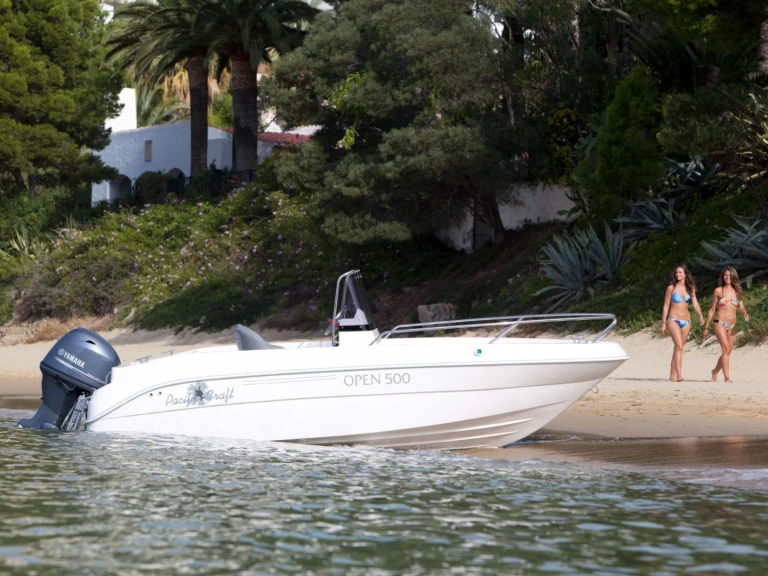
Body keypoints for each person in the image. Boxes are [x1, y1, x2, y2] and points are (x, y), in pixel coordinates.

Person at [703, 267, 750, 383]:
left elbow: (741, 306)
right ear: (722, 277)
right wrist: (706, 327)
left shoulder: (738, 291)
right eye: (725, 275)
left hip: (732, 324)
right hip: (720, 322)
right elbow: (712, 310)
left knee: (728, 352)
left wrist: (744, 313)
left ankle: (715, 371)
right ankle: (727, 377)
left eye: (729, 275)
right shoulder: (718, 291)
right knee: (725, 349)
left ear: (733, 276)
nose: (727, 277)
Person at [661, 265, 704, 382]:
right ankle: (679, 374)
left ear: (685, 274)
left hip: (686, 321)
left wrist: (700, 314)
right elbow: (665, 306)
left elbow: (695, 303)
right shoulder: (671, 288)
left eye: (680, 272)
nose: (678, 274)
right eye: (676, 273)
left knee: (679, 348)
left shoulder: (690, 288)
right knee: (679, 346)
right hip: (673, 320)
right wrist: (663, 322)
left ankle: (672, 375)